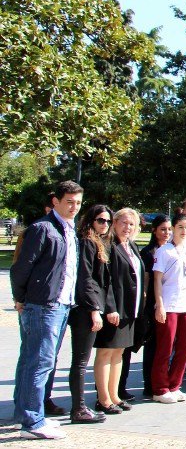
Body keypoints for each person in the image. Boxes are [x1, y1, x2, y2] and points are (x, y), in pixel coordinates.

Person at [11, 181, 84, 439]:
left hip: (61, 304)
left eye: (77, 202)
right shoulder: (43, 229)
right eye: (69, 202)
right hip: (44, 305)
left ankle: (25, 414)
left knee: (34, 360)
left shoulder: (68, 229)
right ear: (56, 201)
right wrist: (20, 297)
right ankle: (32, 422)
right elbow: (21, 267)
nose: (74, 207)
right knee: (39, 362)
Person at [93, 208, 144, 413]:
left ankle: (114, 395)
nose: (127, 227)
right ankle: (103, 398)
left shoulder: (131, 245)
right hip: (115, 309)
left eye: (131, 224)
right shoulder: (109, 246)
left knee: (119, 353)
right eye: (123, 223)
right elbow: (106, 280)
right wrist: (110, 308)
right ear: (114, 223)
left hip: (130, 309)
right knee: (106, 352)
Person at [67, 204, 112, 424]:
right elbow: (86, 279)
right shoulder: (87, 242)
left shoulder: (97, 242)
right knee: (81, 361)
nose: (105, 225)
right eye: (100, 220)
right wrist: (95, 309)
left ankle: (80, 407)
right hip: (85, 308)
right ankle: (79, 408)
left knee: (81, 360)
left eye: (107, 221)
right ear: (91, 221)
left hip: (92, 306)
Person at [151, 212, 186, 404]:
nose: (184, 231)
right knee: (165, 347)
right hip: (169, 304)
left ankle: (174, 385)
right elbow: (157, 280)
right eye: (180, 227)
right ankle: (160, 388)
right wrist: (160, 305)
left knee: (185, 347)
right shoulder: (164, 251)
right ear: (173, 228)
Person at [139, 215, 170, 397]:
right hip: (152, 304)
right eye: (162, 229)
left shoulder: (171, 250)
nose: (166, 233)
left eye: (168, 229)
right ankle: (149, 384)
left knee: (165, 346)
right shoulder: (149, 253)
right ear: (154, 231)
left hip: (170, 303)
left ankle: (161, 381)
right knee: (152, 345)